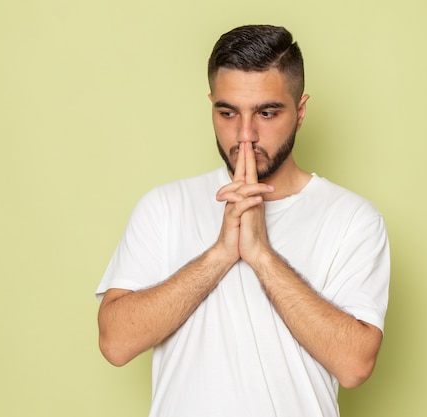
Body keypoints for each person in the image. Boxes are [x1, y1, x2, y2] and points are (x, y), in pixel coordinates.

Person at [96, 24, 390, 417]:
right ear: (212, 105)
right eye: (228, 112)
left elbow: (355, 365)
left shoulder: (353, 219)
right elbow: (115, 343)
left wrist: (261, 256)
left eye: (267, 113)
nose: (245, 135)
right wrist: (219, 254)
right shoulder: (165, 206)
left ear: (300, 112)